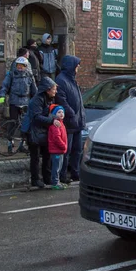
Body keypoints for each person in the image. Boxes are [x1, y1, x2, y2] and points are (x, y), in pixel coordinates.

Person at [21, 77, 60, 188]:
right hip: (33, 131)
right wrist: (53, 120)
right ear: (47, 90)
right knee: (36, 157)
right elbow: (37, 117)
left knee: (47, 155)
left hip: (43, 131)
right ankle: (35, 179)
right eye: (54, 89)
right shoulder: (37, 100)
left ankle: (46, 178)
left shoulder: (49, 99)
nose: (55, 91)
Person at [55, 55, 85, 183]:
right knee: (66, 150)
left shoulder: (72, 79)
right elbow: (62, 99)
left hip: (77, 121)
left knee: (77, 149)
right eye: (77, 65)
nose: (78, 67)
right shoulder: (61, 80)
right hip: (69, 121)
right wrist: (71, 113)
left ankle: (75, 172)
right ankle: (62, 175)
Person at [0, 57, 37, 154]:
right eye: (18, 65)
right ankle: (10, 145)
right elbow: (5, 85)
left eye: (22, 66)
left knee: (26, 124)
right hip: (14, 101)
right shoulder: (11, 74)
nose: (20, 67)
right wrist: (2, 95)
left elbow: (34, 89)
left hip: (26, 102)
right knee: (13, 123)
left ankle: (24, 145)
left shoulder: (29, 76)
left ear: (26, 66)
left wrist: (37, 100)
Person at [47, 104, 68, 190]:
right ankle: (55, 182)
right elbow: (57, 138)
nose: (61, 114)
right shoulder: (56, 125)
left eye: (62, 112)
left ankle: (57, 181)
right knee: (56, 168)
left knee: (59, 167)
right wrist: (63, 146)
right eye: (59, 112)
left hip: (60, 150)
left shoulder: (61, 124)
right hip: (57, 150)